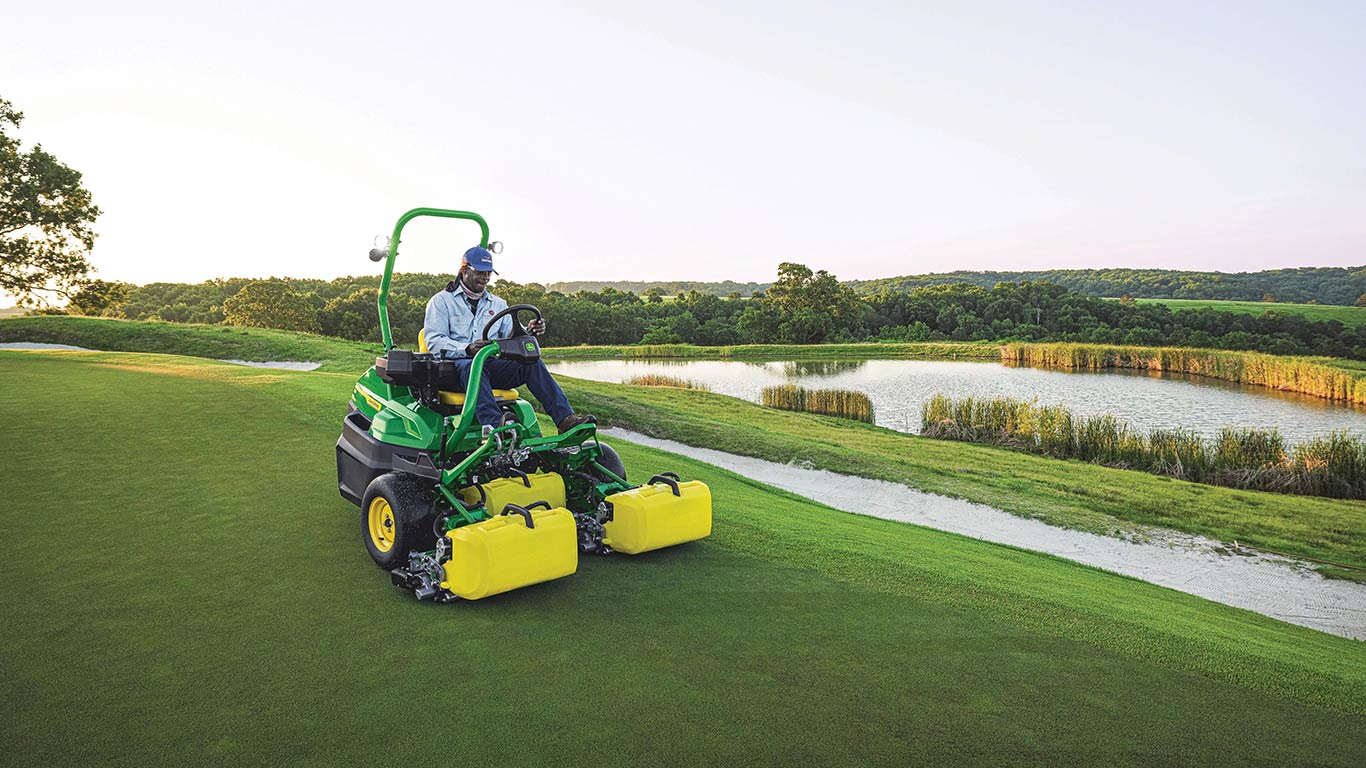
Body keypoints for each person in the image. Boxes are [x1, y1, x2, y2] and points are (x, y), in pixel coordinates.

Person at [423, 245, 596, 433]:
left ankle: (565, 419)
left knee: (531, 363)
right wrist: (467, 348)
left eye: (489, 273)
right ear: (464, 270)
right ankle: (496, 425)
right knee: (473, 366)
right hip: (454, 370)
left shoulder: (498, 304)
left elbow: (514, 335)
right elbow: (434, 340)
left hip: (488, 366)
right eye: (480, 272)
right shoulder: (442, 301)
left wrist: (530, 331)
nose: (486, 277)